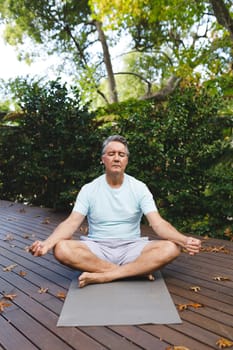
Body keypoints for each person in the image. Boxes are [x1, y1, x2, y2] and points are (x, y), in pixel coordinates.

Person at [30, 135, 201, 288]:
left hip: (132, 248)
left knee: (172, 248)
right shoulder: (89, 189)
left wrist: (184, 240)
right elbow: (71, 223)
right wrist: (47, 243)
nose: (117, 158)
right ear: (103, 159)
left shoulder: (139, 188)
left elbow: (158, 224)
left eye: (121, 154)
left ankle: (107, 276)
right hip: (97, 248)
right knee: (61, 249)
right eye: (111, 154)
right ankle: (133, 272)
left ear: (126, 160)